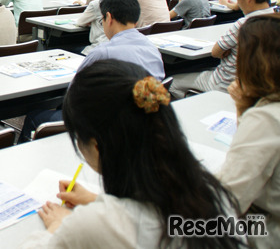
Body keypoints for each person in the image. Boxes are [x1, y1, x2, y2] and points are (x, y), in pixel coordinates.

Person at [22, 59, 242, 249]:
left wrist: (58, 228)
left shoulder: (96, 224)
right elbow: (153, 219)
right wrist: (97, 200)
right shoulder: (212, 192)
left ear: (97, 146)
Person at [21, 0, 165, 141]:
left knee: (35, 117)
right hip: (140, 124)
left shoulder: (103, 53)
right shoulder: (152, 48)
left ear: (108, 18)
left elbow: (73, 95)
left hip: (103, 126)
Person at [217, 14, 280, 246]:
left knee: (169, 225)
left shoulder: (266, 119)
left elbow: (227, 202)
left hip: (265, 229)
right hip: (265, 215)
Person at [169, 0, 275, 99]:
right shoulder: (275, 22)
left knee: (172, 82)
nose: (238, 4)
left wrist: (226, 51)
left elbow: (216, 52)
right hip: (257, 87)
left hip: (224, 83)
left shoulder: (244, 25)